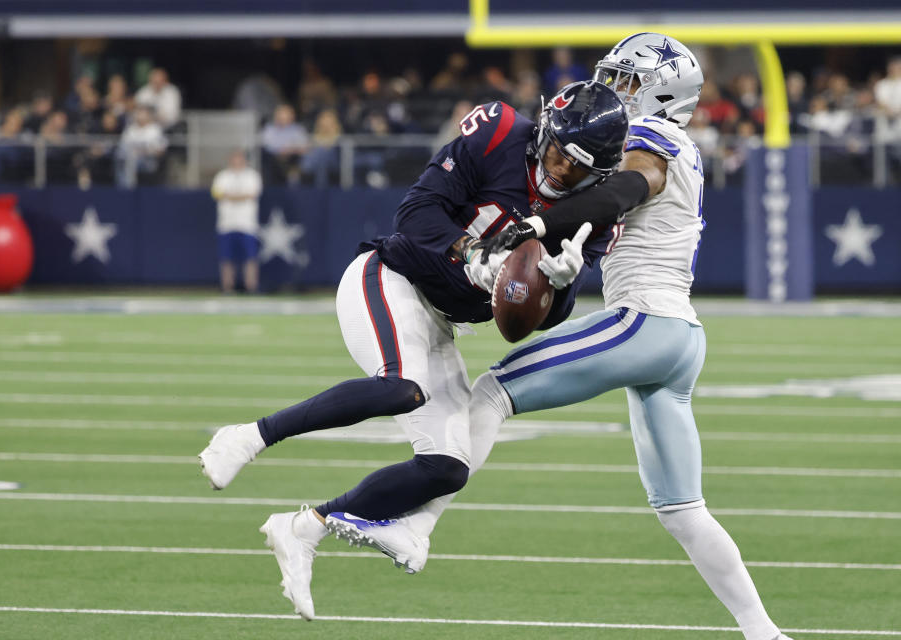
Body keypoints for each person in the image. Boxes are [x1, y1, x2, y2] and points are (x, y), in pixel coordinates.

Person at [347, 33, 795, 640]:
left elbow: (626, 189)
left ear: (662, 94)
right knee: (683, 511)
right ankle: (764, 630)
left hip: (644, 322)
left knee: (490, 392)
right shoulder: (659, 143)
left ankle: (416, 526)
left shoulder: (651, 140)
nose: (615, 88)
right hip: (681, 340)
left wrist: (540, 220)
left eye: (629, 80)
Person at [198, 80, 631, 620]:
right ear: (543, 130)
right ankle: (250, 435)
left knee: (449, 469)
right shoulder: (497, 134)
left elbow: (527, 325)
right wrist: (470, 254)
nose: (562, 172)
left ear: (602, 174)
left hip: (442, 320)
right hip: (391, 276)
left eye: (578, 169)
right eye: (557, 154)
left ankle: (303, 527)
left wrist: (560, 286)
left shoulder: (595, 210)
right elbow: (416, 212)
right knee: (402, 387)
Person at [211, 149, 263, 293]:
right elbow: (217, 194)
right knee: (226, 258)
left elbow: (252, 194)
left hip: (247, 224)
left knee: (250, 257)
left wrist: (230, 196)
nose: (237, 161)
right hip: (226, 224)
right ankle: (227, 287)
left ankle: (251, 286)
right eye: (234, 158)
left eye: (239, 158)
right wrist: (240, 196)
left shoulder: (252, 176)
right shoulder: (222, 176)